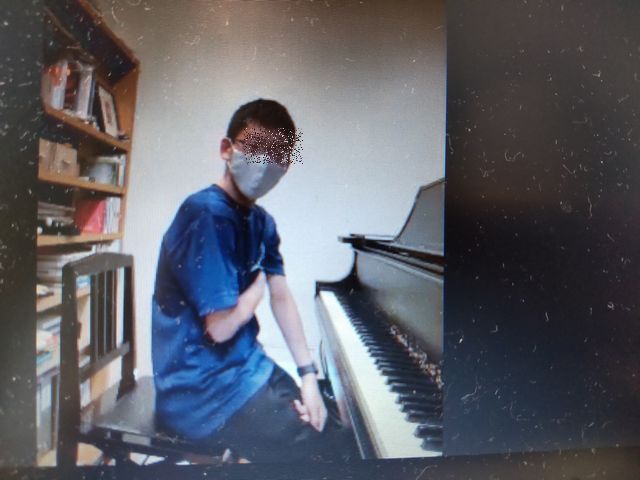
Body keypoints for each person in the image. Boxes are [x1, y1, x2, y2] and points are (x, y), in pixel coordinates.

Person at [151, 99, 357, 463]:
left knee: (331, 424)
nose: (265, 164)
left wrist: (308, 375)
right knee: (329, 452)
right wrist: (257, 289)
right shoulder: (206, 214)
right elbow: (220, 329)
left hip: (246, 369)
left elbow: (282, 297)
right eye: (256, 149)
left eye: (278, 157)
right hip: (201, 393)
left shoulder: (262, 221)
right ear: (226, 149)